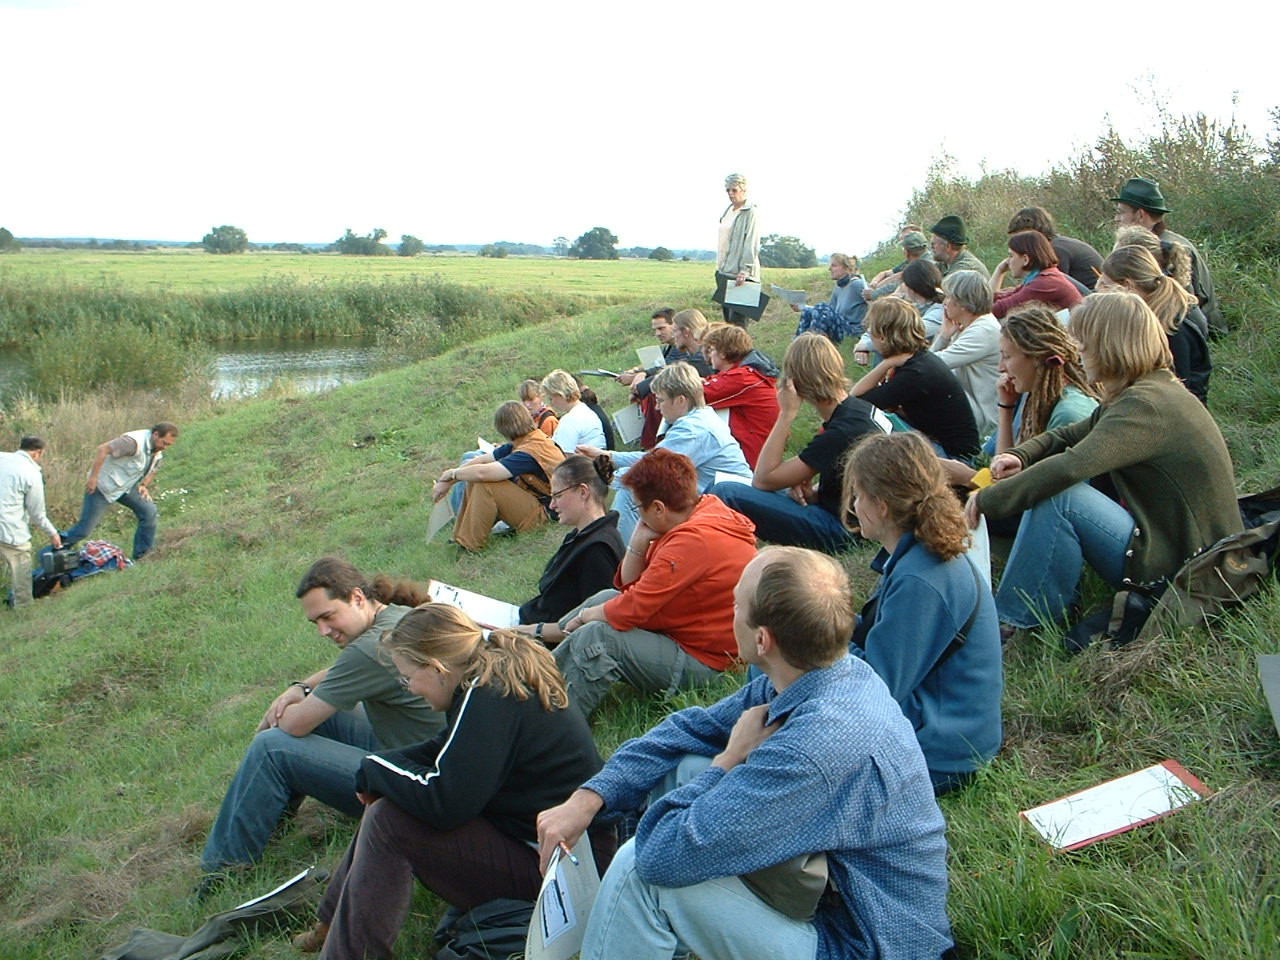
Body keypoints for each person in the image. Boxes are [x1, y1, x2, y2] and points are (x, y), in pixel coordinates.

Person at [536, 547, 954, 960]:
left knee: (639, 873)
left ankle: (631, 919)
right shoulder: (824, 674)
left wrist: (727, 762)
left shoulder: (816, 746)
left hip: (863, 943)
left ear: (762, 639)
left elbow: (658, 857)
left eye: (736, 604)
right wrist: (589, 798)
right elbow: (687, 730)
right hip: (834, 902)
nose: (729, 611)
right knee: (681, 769)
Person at [289, 604, 610, 959]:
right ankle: (331, 924)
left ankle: (344, 949)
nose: (409, 688)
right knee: (389, 802)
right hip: (555, 854)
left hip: (567, 878)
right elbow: (443, 750)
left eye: (407, 677)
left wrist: (375, 771)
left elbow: (446, 805)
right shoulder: (489, 678)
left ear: (438, 668)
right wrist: (378, 768)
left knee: (389, 819)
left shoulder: (489, 697)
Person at [965, 293, 1242, 631]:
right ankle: (1034, 611)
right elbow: (1069, 435)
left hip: (1187, 564)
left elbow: (1071, 465)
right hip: (1187, 546)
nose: (1078, 350)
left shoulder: (1144, 407)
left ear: (1108, 344)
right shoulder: (1147, 390)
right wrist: (1020, 455)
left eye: (1084, 341)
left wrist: (988, 498)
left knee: (1063, 495)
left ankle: (1008, 623)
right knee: (1059, 491)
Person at [200, 558, 444, 878]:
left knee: (272, 747)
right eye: (315, 622)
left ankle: (220, 870)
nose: (323, 631)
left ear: (357, 598)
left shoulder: (367, 650)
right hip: (427, 751)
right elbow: (344, 673)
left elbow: (295, 725)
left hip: (416, 783)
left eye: (328, 617)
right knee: (323, 716)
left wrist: (286, 707)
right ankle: (265, 823)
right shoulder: (396, 617)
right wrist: (300, 687)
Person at [843, 432, 1002, 794]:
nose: (853, 504)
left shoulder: (921, 578)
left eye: (858, 494)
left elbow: (877, 689)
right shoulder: (920, 555)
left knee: (787, 651)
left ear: (882, 505)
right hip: (944, 728)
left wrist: (815, 641)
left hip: (944, 754)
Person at [552, 448, 757, 720]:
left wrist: (587, 617)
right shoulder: (704, 510)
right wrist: (637, 544)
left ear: (658, 507)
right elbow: (629, 588)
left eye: (638, 508)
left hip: (711, 664)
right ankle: (539, 666)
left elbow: (632, 607)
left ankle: (554, 722)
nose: (637, 515)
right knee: (606, 598)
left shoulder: (691, 541)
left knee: (600, 636)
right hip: (692, 637)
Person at [710, 333, 890, 552]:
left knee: (726, 491)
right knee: (734, 485)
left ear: (795, 381)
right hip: (863, 516)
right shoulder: (859, 409)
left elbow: (763, 480)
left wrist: (786, 413)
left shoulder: (840, 431)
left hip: (845, 531)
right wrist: (815, 492)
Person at [941, 304, 1099, 508]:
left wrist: (969, 478)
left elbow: (1028, 503)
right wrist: (1006, 408)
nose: (1001, 367)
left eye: (1007, 356)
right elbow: (1000, 470)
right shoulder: (1034, 391)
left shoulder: (1068, 414)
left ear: (1036, 357)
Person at [580, 362, 751, 541]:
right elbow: (655, 459)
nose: (656, 407)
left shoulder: (692, 429)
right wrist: (609, 459)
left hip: (731, 505)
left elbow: (655, 464)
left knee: (633, 493)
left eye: (660, 400)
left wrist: (609, 467)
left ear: (680, 400)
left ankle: (616, 556)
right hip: (723, 496)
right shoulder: (700, 418)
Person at [513, 454, 624, 645]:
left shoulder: (598, 550)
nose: (552, 505)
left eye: (558, 496)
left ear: (583, 492)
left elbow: (590, 626)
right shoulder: (582, 536)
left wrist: (529, 632)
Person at [851, 298, 980, 462]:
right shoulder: (919, 359)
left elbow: (856, 403)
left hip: (954, 458)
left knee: (868, 430)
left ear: (882, 337)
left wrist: (885, 364)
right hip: (944, 445)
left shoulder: (915, 374)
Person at [433, 401, 565, 552]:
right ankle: (461, 537)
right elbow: (483, 460)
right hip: (540, 504)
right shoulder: (528, 440)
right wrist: (449, 481)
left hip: (547, 514)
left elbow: (483, 473)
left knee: (485, 483)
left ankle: (470, 546)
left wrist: (452, 473)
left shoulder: (528, 452)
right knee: (476, 478)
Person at [1111, 176, 1226, 336]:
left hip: (1199, 335)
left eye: (1121, 212)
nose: (1117, 218)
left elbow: (1182, 306)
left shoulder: (1163, 249)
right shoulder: (1163, 242)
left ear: (1140, 215)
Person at [1098, 244, 1212, 404]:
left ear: (1127, 286)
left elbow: (1178, 390)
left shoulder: (1172, 328)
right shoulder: (1154, 312)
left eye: (1105, 285)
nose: (1099, 291)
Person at [61, 422, 178, 560]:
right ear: (156, 434)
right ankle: (53, 551)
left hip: (124, 489)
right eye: (164, 443)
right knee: (83, 530)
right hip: (102, 488)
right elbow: (103, 449)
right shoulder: (133, 442)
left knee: (149, 511)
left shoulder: (156, 451)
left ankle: (143, 556)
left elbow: (155, 467)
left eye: (168, 445)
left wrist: (144, 485)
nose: (164, 447)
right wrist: (93, 478)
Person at [930, 270, 1001, 438]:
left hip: (984, 418)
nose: (945, 303)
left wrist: (943, 336)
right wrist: (945, 335)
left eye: (948, 298)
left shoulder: (983, 330)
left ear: (963, 303)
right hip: (971, 404)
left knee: (932, 382)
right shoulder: (969, 325)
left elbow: (930, 365)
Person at [701, 322, 780, 468]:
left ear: (723, 353)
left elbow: (696, 394)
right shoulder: (746, 374)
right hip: (761, 453)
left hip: (753, 459)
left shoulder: (742, 378)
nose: (709, 354)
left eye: (712, 350)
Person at [628, 309, 710, 449]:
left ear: (686, 332)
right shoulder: (693, 355)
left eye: (675, 330)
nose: (673, 334)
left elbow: (680, 370)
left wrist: (642, 386)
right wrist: (643, 374)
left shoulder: (701, 358)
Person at [0, 437, 61, 609]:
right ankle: (23, 609)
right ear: (37, 452)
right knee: (21, 566)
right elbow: (37, 514)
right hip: (9, 529)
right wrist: (53, 533)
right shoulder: (32, 473)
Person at [989, 230, 1084, 319]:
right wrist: (1000, 271)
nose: (1007, 261)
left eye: (1011, 256)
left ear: (1026, 259)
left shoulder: (1044, 284)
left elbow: (997, 310)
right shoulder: (1042, 277)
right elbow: (993, 299)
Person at [1007, 206, 1102, 290]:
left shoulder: (1056, 250)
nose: (1017, 245)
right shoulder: (1058, 244)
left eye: (1019, 239)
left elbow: (1052, 286)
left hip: (1094, 302)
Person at [716, 173, 762, 326]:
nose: (730, 193)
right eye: (727, 190)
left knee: (738, 325)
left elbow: (752, 242)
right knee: (728, 324)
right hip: (724, 272)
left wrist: (745, 270)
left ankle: (743, 351)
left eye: (734, 190)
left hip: (741, 275)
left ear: (743, 190)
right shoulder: (728, 210)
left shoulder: (751, 212)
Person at [793, 253, 868, 343]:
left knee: (822, 306)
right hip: (840, 326)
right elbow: (828, 311)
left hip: (853, 331)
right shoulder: (838, 288)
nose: (829, 269)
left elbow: (875, 300)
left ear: (846, 268)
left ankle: (814, 345)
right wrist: (803, 307)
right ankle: (799, 345)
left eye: (834, 266)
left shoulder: (857, 284)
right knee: (807, 312)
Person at [541, 369, 606, 454]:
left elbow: (565, 457)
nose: (552, 402)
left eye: (551, 398)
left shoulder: (570, 420)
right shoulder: (587, 412)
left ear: (560, 395)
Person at [864, 228, 933, 301]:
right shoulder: (927, 260)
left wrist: (874, 294)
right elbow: (894, 276)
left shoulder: (921, 266)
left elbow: (897, 284)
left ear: (907, 252)